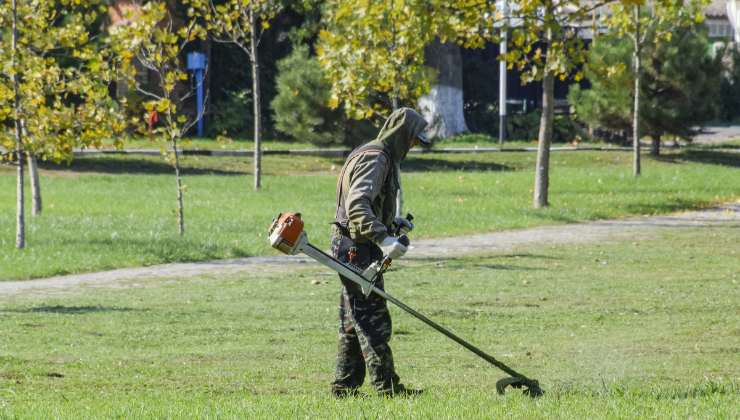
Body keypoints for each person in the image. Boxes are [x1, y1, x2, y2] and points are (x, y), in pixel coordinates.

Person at [330, 107, 429, 397]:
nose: (413, 146)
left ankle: (344, 386)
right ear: (402, 135)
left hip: (352, 244)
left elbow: (365, 205)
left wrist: (390, 222)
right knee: (373, 319)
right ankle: (388, 389)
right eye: (413, 140)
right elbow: (358, 205)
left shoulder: (373, 153)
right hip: (356, 249)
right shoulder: (376, 159)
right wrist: (383, 238)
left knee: (354, 318)